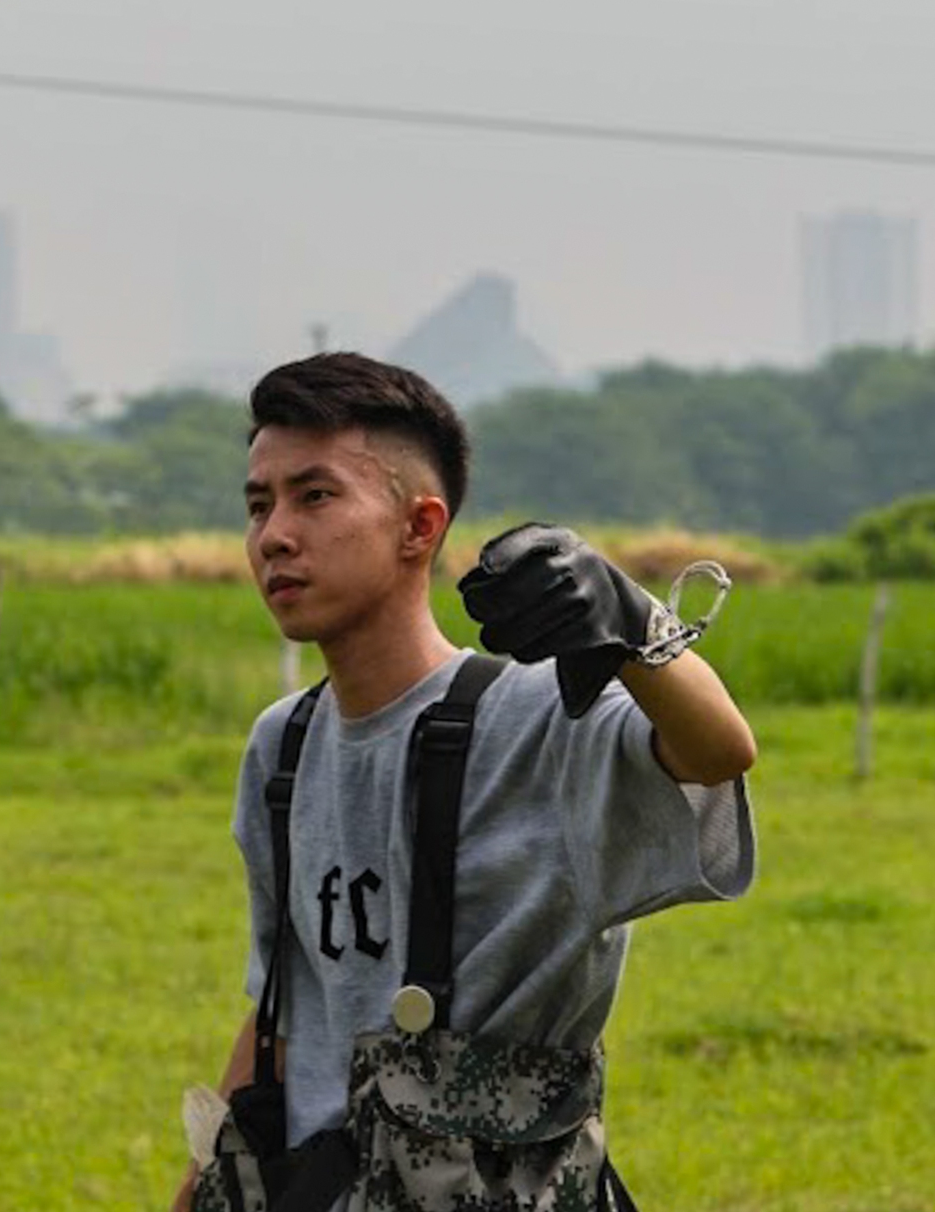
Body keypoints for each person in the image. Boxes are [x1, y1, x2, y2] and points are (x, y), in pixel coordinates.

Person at [171, 351, 757, 1212]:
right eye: (258, 505)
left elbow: (717, 749)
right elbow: (284, 1012)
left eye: (316, 495)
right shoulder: (281, 745)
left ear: (420, 526)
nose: (275, 535)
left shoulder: (538, 719)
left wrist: (629, 618)